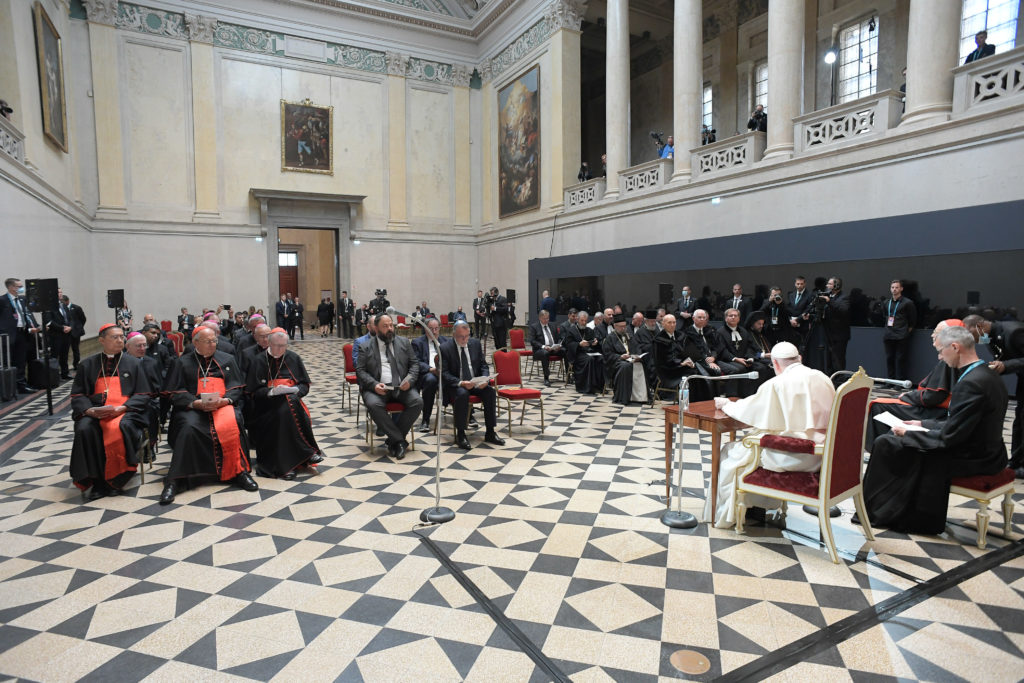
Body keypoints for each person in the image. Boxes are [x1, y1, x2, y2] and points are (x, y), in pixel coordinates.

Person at [863, 326, 1008, 533]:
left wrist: (910, 434)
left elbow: (950, 437)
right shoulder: (986, 374)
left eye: (941, 351)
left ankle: (885, 513)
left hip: (974, 457)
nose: (940, 357)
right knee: (894, 440)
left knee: (887, 443)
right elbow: (961, 423)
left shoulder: (971, 383)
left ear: (955, 347)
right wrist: (922, 425)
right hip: (987, 450)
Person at [704, 342, 835, 528]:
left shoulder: (777, 383)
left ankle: (729, 514)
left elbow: (751, 409)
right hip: (822, 455)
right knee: (745, 450)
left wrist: (726, 404)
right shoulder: (822, 377)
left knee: (730, 451)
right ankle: (757, 507)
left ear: (775, 363)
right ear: (799, 359)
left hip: (793, 455)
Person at [160, 327, 257, 505]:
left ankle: (239, 472)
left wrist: (225, 400)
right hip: (193, 407)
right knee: (188, 428)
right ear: (196, 342)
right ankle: (175, 480)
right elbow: (173, 392)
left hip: (222, 406)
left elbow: (237, 387)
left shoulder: (227, 359)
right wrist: (195, 402)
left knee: (233, 421)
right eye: (208, 341)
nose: (213, 344)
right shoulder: (181, 362)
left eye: (214, 341)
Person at [69, 324, 152, 500]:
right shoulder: (87, 365)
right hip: (95, 412)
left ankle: (115, 478)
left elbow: (143, 393)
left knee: (118, 428)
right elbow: (78, 394)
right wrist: (90, 410)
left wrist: (123, 408)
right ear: (101, 340)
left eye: (122, 337)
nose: (120, 340)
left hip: (126, 412)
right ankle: (97, 481)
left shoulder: (134, 364)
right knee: (85, 429)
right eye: (115, 337)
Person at [866, 319, 965, 449]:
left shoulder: (949, 362)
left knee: (878, 405)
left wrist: (906, 396)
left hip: (936, 412)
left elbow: (933, 396)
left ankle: (880, 449)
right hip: (936, 408)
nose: (932, 335)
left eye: (936, 332)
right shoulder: (957, 358)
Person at [246, 330, 324, 479]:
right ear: (269, 343)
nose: (280, 349)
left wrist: (295, 391)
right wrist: (271, 392)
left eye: (283, 346)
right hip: (265, 406)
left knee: (287, 406)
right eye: (276, 345)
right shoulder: (258, 360)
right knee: (287, 407)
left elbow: (304, 385)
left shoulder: (293, 358)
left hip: (290, 404)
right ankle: (307, 453)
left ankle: (290, 465)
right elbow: (252, 391)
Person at [965, 313, 1024, 475]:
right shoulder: (990, 336)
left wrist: (1005, 365)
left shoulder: (1014, 332)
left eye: (971, 334)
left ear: (980, 326)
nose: (972, 339)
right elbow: (1002, 359)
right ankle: (1016, 462)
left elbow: (1009, 361)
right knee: (1019, 421)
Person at [356, 314, 421, 460]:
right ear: (376, 328)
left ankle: (393, 439)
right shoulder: (365, 347)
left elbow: (414, 364)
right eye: (385, 326)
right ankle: (399, 441)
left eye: (391, 325)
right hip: (378, 388)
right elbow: (360, 371)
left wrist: (409, 380)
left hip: (401, 387)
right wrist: (374, 385)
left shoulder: (404, 342)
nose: (390, 328)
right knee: (373, 404)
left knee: (417, 402)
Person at [440, 321, 505, 450]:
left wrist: (485, 379)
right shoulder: (445, 348)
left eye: (467, 336)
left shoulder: (475, 344)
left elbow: (483, 365)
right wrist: (461, 383)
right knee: (462, 394)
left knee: (490, 392)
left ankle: (490, 432)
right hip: (456, 385)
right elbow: (444, 373)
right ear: (454, 335)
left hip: (475, 383)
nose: (464, 339)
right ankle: (461, 434)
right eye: (460, 336)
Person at [1, 277, 40, 394]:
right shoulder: (2, 300)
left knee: (21, 361)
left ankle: (22, 385)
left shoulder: (22, 300)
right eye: (19, 286)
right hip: (8, 336)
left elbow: (25, 316)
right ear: (11, 287)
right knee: (9, 361)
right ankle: (10, 387)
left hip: (23, 333)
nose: (22, 288)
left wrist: (30, 328)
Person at [602, 313, 648, 404]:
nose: (623, 328)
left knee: (641, 364)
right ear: (615, 326)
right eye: (621, 327)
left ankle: (640, 396)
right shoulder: (610, 338)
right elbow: (607, 355)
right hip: (615, 362)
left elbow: (637, 347)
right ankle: (624, 397)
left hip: (630, 359)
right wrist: (620, 357)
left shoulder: (629, 335)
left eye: (624, 326)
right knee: (625, 366)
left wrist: (638, 356)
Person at [411, 317, 447, 433]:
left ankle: (468, 414)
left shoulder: (446, 341)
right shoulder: (417, 343)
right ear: (426, 329)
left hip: (444, 373)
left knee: (460, 377)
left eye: (436, 328)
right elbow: (415, 362)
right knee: (430, 380)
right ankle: (425, 419)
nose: (434, 331)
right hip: (427, 374)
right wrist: (431, 369)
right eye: (431, 329)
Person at [881, 279, 917, 380]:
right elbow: (884, 315)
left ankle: (900, 381)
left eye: (897, 287)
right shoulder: (886, 303)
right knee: (889, 358)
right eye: (892, 287)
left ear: (901, 289)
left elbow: (912, 319)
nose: (894, 290)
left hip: (901, 335)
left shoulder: (907, 303)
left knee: (900, 359)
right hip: (888, 334)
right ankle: (890, 380)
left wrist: (907, 331)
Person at [563, 311, 604, 394]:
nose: (584, 323)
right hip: (577, 354)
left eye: (585, 321)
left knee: (601, 358)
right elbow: (568, 344)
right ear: (577, 319)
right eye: (582, 320)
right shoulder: (571, 330)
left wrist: (595, 342)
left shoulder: (589, 330)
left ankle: (599, 386)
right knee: (590, 359)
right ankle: (587, 387)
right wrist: (579, 344)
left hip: (589, 352)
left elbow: (593, 342)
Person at [529, 309, 562, 387]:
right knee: (545, 353)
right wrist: (543, 346)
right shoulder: (534, 327)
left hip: (553, 349)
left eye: (548, 318)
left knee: (566, 350)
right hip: (540, 350)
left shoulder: (553, 325)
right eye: (545, 318)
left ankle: (569, 375)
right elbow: (532, 341)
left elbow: (559, 337)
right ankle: (546, 378)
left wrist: (558, 345)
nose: (547, 320)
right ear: (540, 318)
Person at [45, 293, 73, 380]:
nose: (60, 294)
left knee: (64, 355)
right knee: (55, 356)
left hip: (66, 334)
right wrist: (62, 328)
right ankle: (54, 376)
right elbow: (49, 321)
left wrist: (70, 327)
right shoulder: (49, 306)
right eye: (58, 292)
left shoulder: (63, 305)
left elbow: (70, 318)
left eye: (61, 292)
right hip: (56, 335)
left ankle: (65, 373)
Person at [787, 276, 813, 349]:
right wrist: (790, 320)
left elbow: (808, 309)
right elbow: (787, 309)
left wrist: (797, 320)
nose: (799, 286)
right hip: (792, 325)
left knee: (803, 348)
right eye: (798, 284)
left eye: (801, 284)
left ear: (805, 284)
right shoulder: (791, 294)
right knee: (792, 347)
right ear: (795, 284)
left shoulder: (810, 295)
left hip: (803, 325)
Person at [488, 286, 509, 350]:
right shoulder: (492, 301)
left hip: (501, 324)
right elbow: (492, 312)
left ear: (496, 293)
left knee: (502, 342)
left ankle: (504, 357)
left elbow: (505, 309)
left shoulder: (503, 299)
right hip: (494, 324)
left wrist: (495, 308)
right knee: (496, 342)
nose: (491, 295)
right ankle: (498, 356)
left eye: (492, 293)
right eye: (490, 293)